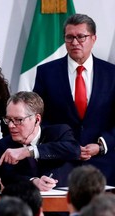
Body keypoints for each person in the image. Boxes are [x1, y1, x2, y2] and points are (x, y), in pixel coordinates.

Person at [33, 13, 115, 185]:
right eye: (69, 37)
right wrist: (65, 147)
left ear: (93, 38)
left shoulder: (112, 74)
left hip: (104, 163)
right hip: (60, 164)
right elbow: (38, 118)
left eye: (81, 37)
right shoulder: (46, 73)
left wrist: (101, 145)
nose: (75, 42)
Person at [0, 91, 80, 191]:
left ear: (37, 119)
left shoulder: (58, 133)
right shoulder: (3, 146)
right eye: (8, 119)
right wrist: (33, 181)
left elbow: (74, 150)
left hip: (62, 202)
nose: (11, 125)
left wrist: (29, 151)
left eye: (18, 119)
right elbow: (8, 176)